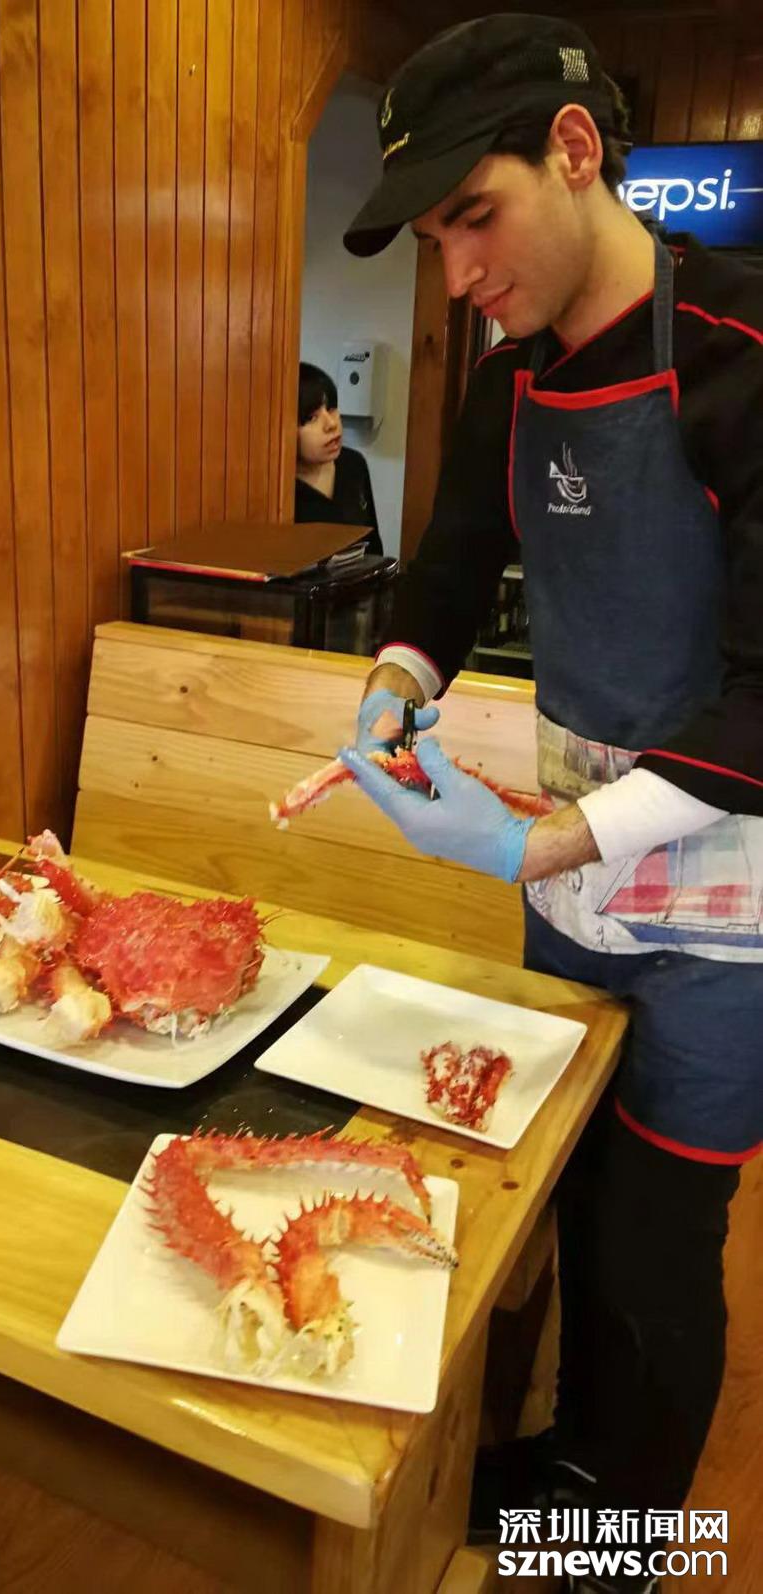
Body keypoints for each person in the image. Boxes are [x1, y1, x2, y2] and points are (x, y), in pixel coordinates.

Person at [337, 14, 763, 1594]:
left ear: (574, 152)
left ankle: (621, 1545)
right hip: (566, 877)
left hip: (723, 909)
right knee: (565, 1197)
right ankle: (569, 1470)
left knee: (659, 1247)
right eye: (437, 240)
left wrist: (550, 837)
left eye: (476, 217)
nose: (459, 274)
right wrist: (397, 677)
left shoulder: (740, 355)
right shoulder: (512, 379)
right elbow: (450, 567)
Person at [294, 362, 383, 556]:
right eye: (312, 418)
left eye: (331, 408)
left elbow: (373, 548)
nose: (331, 424)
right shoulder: (279, 491)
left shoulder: (353, 464)